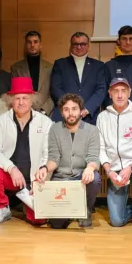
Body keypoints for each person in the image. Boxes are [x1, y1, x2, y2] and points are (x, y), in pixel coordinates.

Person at [0, 77, 53, 225]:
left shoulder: (45, 122)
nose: (21, 102)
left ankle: (26, 203)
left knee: (39, 220)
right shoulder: (2, 120)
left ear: (32, 100)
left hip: (34, 178)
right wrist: (11, 168)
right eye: (17, 98)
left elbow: (49, 154)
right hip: (11, 176)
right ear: (11, 100)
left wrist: (42, 176)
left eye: (25, 98)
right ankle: (2, 206)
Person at [97, 78, 132, 236]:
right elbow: (101, 148)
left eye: (123, 91)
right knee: (117, 221)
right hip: (115, 169)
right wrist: (109, 171)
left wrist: (131, 167)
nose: (120, 95)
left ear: (129, 93)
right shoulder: (102, 117)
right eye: (116, 91)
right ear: (110, 94)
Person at [38, 93, 101, 229]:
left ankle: (86, 210)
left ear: (81, 111)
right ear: (61, 112)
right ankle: (71, 210)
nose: (71, 113)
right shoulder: (55, 129)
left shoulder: (92, 130)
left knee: (95, 178)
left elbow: (93, 157)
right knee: (56, 225)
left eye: (74, 109)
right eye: (66, 109)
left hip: (81, 178)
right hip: (61, 179)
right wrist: (44, 168)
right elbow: (54, 158)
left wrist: (90, 168)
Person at [50, 32, 107, 124]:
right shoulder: (60, 64)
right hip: (64, 117)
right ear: (71, 45)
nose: (79, 47)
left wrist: (87, 108)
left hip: (89, 118)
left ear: (88, 45)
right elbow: (55, 88)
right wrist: (70, 108)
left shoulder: (98, 66)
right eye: (75, 44)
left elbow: (101, 90)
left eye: (82, 44)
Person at [11, 31, 54, 115]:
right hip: (23, 113)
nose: (32, 45)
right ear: (25, 45)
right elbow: (14, 93)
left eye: (35, 42)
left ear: (40, 45)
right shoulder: (16, 68)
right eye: (29, 42)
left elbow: (53, 94)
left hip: (46, 114)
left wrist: (44, 110)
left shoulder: (50, 67)